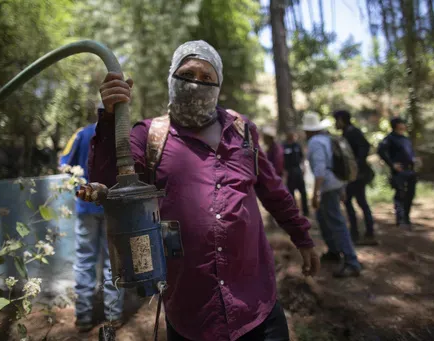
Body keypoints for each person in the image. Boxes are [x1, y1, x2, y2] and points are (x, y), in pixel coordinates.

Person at [85, 40, 319, 341]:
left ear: (218, 85)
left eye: (207, 77)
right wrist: (109, 118)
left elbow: (273, 190)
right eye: (188, 74)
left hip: (256, 306)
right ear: (172, 79)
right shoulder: (149, 135)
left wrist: (302, 236)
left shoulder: (242, 131)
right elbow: (107, 184)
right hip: (191, 312)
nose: (196, 83)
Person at [59, 110, 124, 332]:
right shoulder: (121, 135)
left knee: (85, 259)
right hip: (112, 208)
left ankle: (84, 317)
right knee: (112, 263)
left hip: (85, 206)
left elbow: (63, 165)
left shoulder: (81, 133)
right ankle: (114, 316)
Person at [302, 112, 361, 278]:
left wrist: (315, 194)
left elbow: (320, 170)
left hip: (327, 186)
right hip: (337, 182)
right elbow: (336, 163)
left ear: (309, 130)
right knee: (322, 217)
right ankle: (334, 251)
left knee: (336, 222)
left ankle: (351, 261)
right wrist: (342, 188)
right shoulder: (327, 139)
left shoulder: (314, 142)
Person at [333, 110, 377, 246]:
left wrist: (356, 164)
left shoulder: (352, 132)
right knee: (356, 202)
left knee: (356, 202)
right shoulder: (348, 133)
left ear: (341, 120)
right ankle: (361, 232)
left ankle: (360, 233)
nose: (335, 123)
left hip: (357, 176)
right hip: (355, 175)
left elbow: (365, 147)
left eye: (336, 120)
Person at [378, 117, 417, 230]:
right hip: (399, 172)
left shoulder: (405, 139)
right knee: (400, 194)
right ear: (396, 125)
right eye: (401, 124)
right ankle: (400, 219)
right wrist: (392, 164)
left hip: (410, 170)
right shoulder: (390, 139)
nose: (404, 126)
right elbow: (381, 151)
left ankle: (406, 218)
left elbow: (410, 153)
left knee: (410, 195)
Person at [283, 131, 309, 217]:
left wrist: (303, 167)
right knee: (291, 192)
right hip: (289, 172)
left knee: (303, 192)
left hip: (298, 170)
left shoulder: (297, 145)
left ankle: (306, 211)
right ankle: (294, 212)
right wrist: (284, 172)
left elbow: (302, 157)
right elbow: (282, 160)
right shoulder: (284, 146)